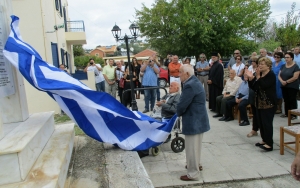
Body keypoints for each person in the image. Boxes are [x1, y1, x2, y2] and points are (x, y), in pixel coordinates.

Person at [176, 64, 210, 181]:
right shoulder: (194, 81)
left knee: (192, 148)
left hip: (194, 120)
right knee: (196, 147)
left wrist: (176, 112)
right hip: (198, 119)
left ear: (187, 74)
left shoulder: (190, 85)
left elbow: (182, 104)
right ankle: (196, 164)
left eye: (180, 72)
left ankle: (193, 173)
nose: (178, 75)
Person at [245, 57, 277, 151]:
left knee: (267, 123)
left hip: (268, 103)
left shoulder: (271, 75)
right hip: (258, 102)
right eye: (259, 64)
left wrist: (257, 77)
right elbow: (254, 87)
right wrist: (250, 79)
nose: (260, 66)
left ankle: (269, 144)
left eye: (262, 64)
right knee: (261, 122)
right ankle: (264, 140)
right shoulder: (259, 74)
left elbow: (264, 85)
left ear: (268, 66)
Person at [278, 52, 300, 119]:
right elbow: (279, 75)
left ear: (291, 58)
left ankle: (293, 114)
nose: (286, 59)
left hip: (292, 86)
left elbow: (295, 77)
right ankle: (287, 113)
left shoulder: (295, 66)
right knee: (286, 100)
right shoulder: (283, 66)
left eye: (287, 57)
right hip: (284, 85)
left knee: (292, 100)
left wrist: (287, 81)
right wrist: (282, 81)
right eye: (285, 57)